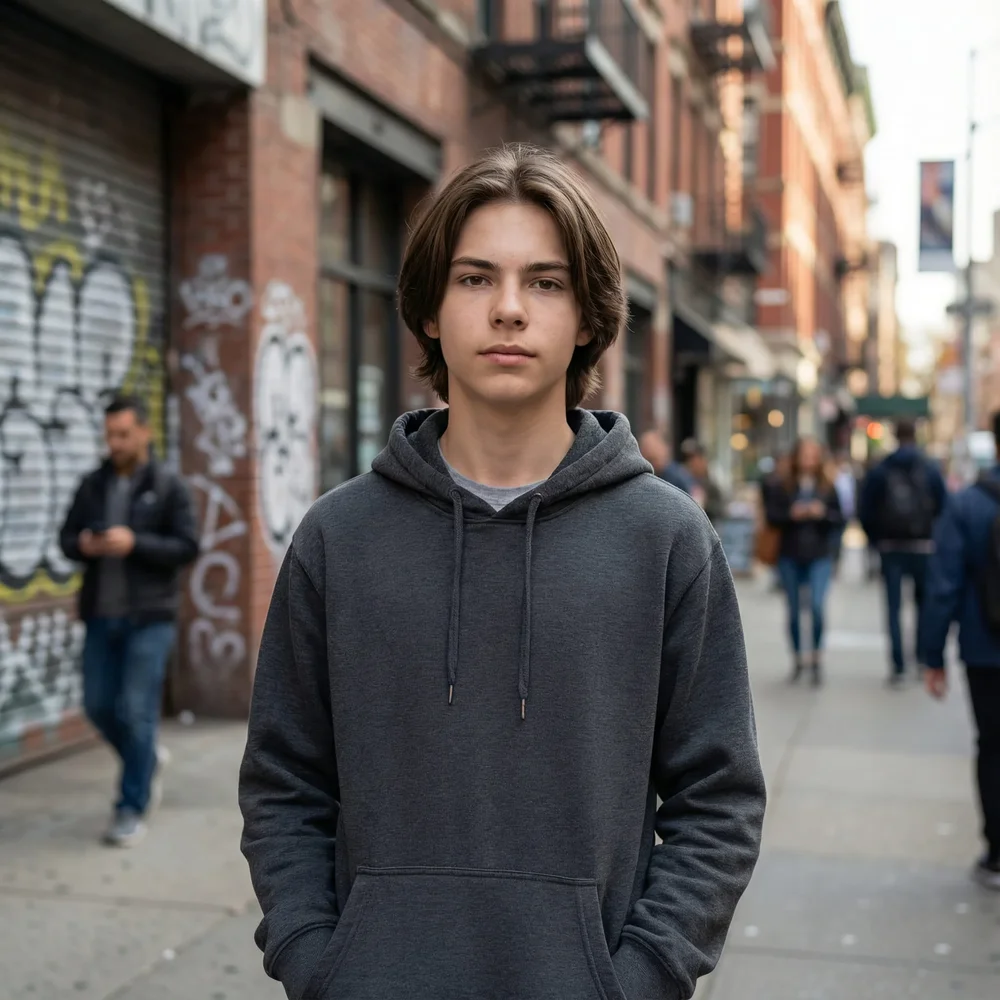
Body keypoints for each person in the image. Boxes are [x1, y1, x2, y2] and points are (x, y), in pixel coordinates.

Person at [239, 145, 765, 1000]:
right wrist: (315, 959)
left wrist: (642, 977)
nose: (509, 309)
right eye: (475, 278)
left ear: (588, 318)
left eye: (546, 282)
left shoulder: (666, 539)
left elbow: (719, 798)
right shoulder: (339, 537)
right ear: (430, 311)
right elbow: (283, 781)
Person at [59, 395, 199, 847]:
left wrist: (134, 543)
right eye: (109, 435)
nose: (115, 443)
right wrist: (84, 543)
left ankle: (130, 806)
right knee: (99, 706)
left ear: (144, 432)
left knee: (138, 712)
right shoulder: (92, 484)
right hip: (101, 615)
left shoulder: (169, 485)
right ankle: (146, 760)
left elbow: (187, 547)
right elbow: (65, 539)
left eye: (123, 434)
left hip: (150, 617)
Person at [921, 410, 1000, 891]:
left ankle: (996, 853)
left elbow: (943, 584)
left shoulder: (968, 503)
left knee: (992, 746)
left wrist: (933, 655)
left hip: (985, 647)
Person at [859, 418, 947, 687]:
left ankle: (898, 664)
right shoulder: (929, 468)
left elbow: (865, 509)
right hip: (923, 546)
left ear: (895, 436)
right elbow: (944, 506)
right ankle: (920, 657)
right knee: (924, 605)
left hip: (890, 546)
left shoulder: (881, 469)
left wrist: (876, 540)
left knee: (893, 607)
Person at [765, 438, 843, 686]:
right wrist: (792, 514)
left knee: (817, 607)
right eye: (804, 455)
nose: (808, 460)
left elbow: (840, 519)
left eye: (813, 455)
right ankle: (798, 658)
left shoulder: (827, 486)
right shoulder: (783, 485)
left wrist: (822, 514)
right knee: (794, 609)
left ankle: (816, 656)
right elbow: (771, 516)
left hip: (819, 555)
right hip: (790, 554)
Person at [681, 439, 725, 523]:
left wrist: (706, 502)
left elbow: (721, 506)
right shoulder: (683, 477)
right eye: (689, 459)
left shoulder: (713, 476)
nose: (692, 463)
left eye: (695, 458)